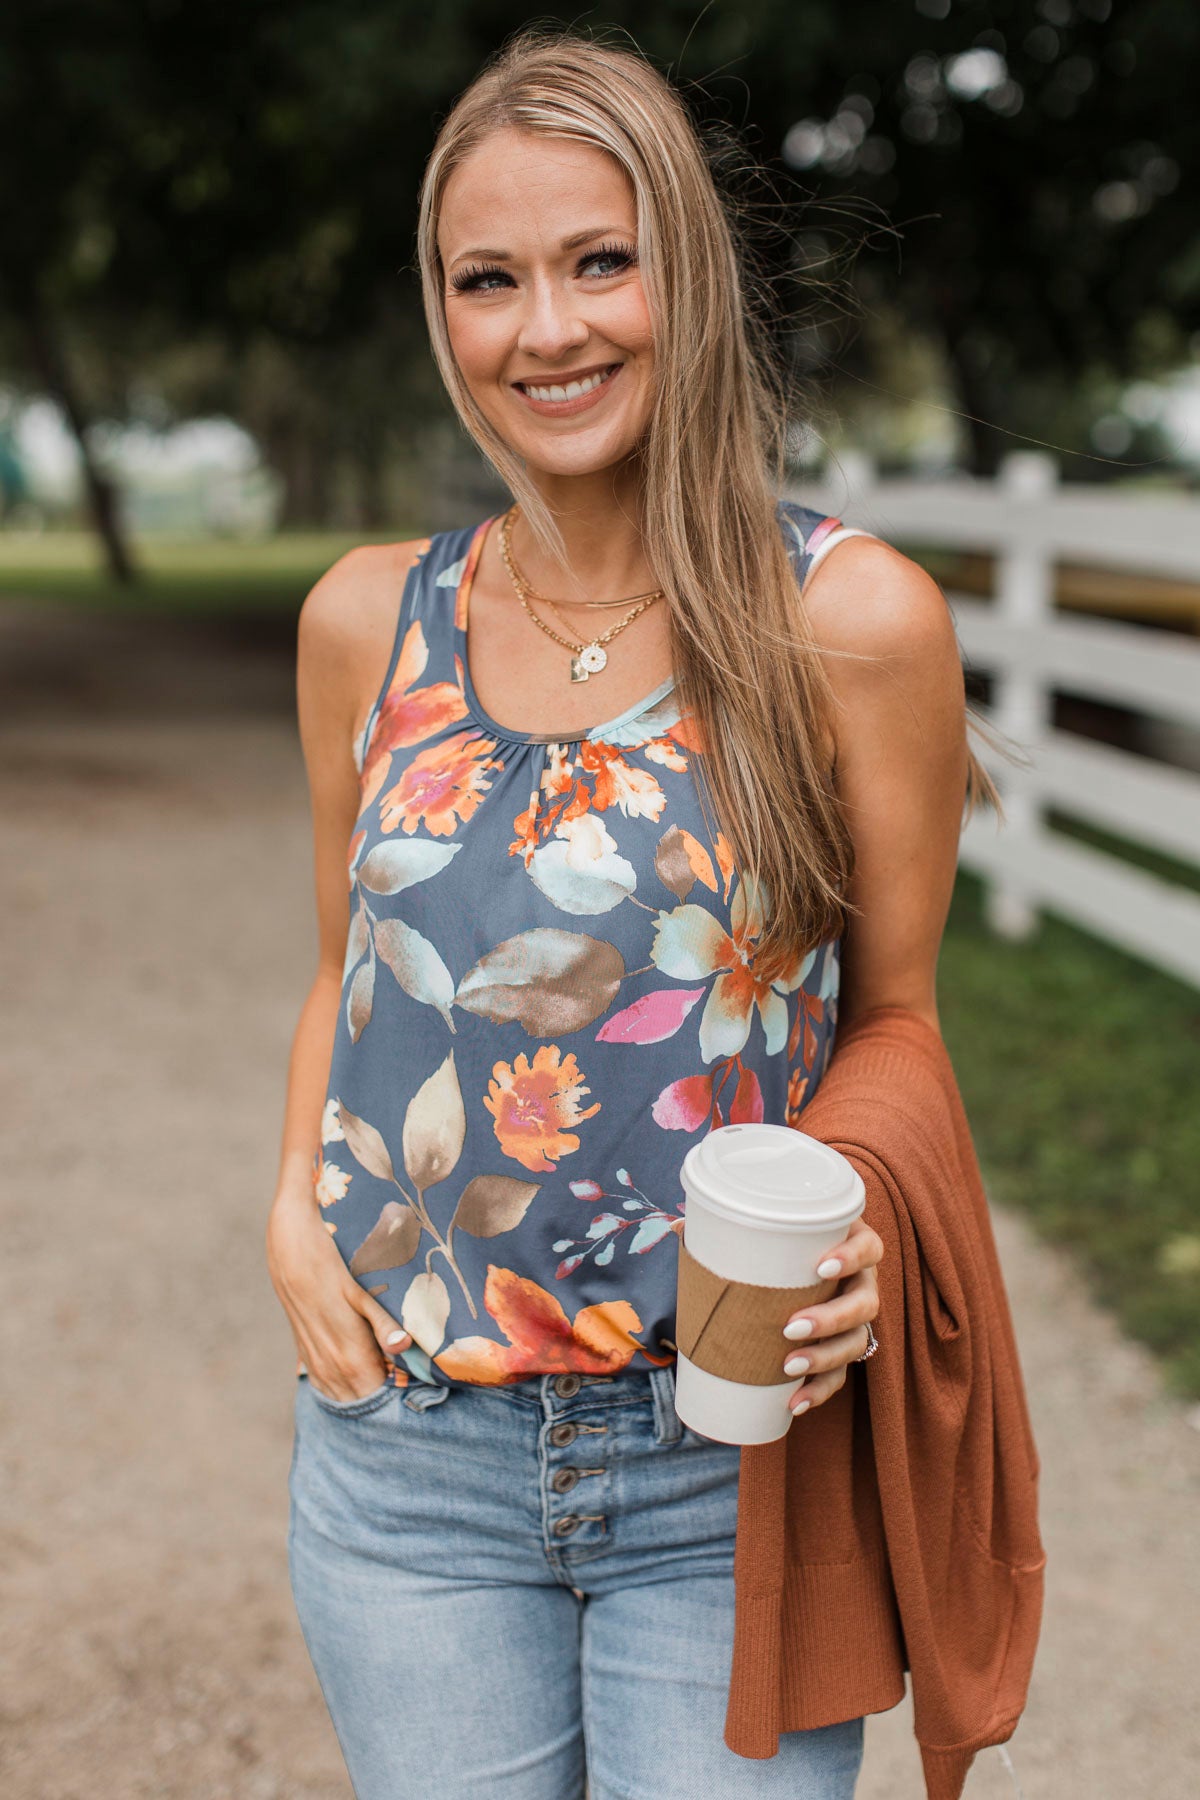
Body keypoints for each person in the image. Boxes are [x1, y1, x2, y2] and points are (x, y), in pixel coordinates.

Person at [266, 26, 990, 1800]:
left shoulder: (851, 624)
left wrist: (870, 1230)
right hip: (409, 1463)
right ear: (444, 319)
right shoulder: (368, 623)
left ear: (692, 274)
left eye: (605, 260)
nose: (551, 327)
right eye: (488, 279)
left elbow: (893, 1021)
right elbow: (345, 970)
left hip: (726, 1455)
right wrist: (292, 1208)